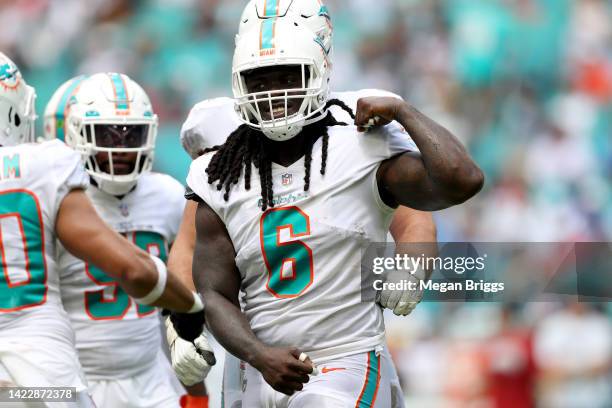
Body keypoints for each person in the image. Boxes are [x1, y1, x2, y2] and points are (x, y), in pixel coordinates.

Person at [175, 1, 483, 405]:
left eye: (288, 76)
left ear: (319, 71)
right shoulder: (219, 167)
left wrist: (405, 112)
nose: (274, 94)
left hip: (344, 355)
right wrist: (185, 327)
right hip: (254, 364)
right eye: (259, 81)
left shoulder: (358, 142)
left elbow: (458, 184)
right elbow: (208, 282)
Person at [0, 54, 203, 406]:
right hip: (72, 371)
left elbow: (178, 288)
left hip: (147, 375)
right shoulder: (56, 187)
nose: (119, 147)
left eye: (131, 134)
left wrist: (194, 385)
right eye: (107, 134)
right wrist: (190, 307)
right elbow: (139, 273)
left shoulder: (165, 194)